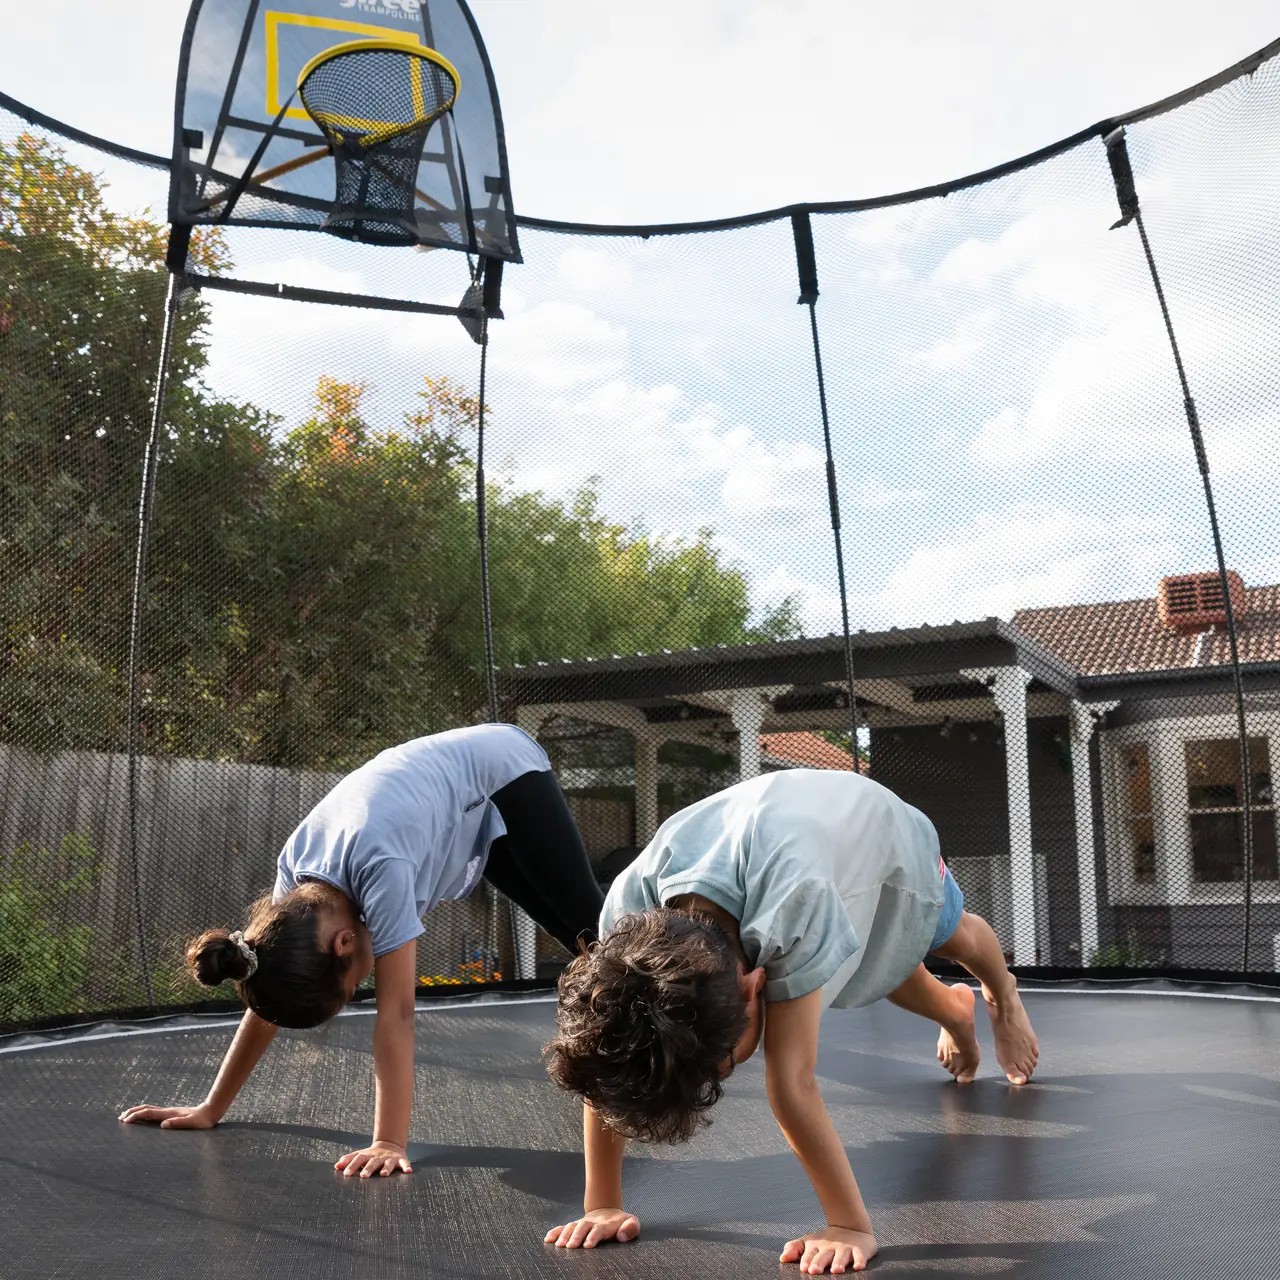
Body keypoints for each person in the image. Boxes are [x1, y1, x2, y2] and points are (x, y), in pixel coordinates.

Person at [543, 768, 1039, 1275]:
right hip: (786, 836)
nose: (727, 1073)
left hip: (874, 832)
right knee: (877, 958)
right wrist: (600, 1202)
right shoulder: (625, 926)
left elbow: (792, 1083)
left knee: (945, 934)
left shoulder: (797, 904)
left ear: (753, 985)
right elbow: (606, 1062)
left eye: (728, 1064)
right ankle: (955, 1010)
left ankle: (1002, 997)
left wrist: (848, 1225)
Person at [120, 722, 604, 1180]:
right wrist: (212, 1106)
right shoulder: (296, 883)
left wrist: (388, 1143)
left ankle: (670, 1004)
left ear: (344, 944)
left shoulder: (381, 869)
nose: (362, 988)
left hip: (504, 772)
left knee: (598, 937)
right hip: (459, 800)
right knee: (586, 949)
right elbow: (267, 982)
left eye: (354, 987)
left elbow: (397, 1015)